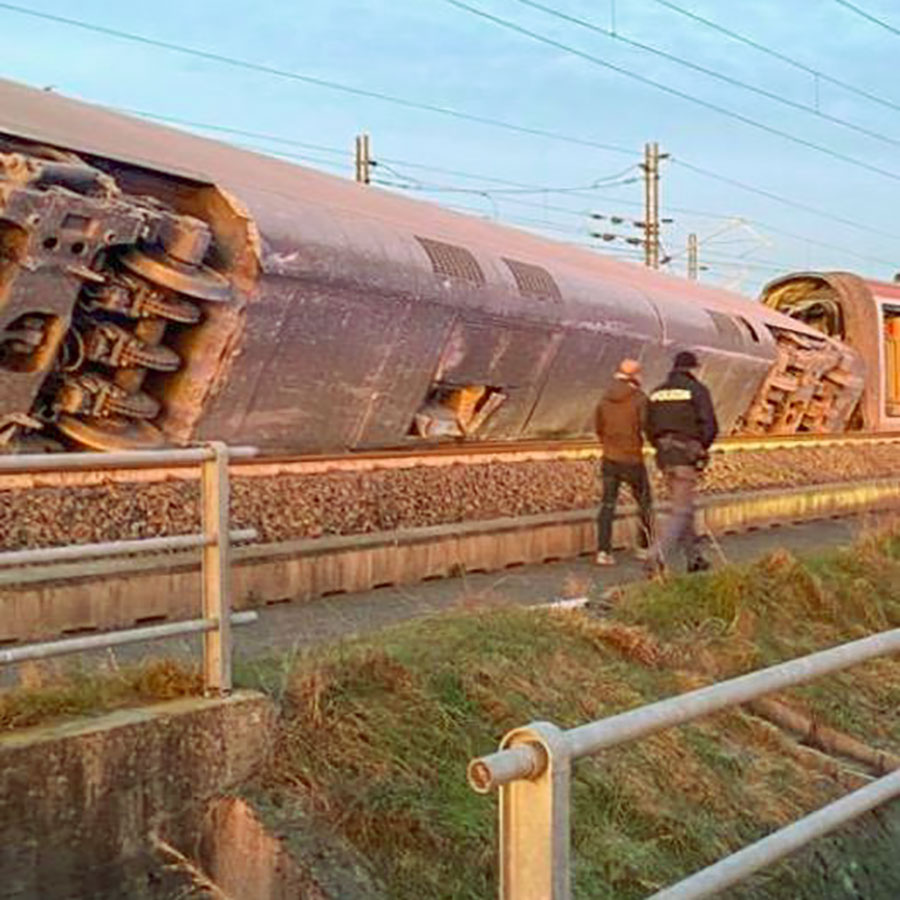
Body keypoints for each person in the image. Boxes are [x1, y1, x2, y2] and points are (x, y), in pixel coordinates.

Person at [645, 350, 719, 575]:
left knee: (684, 506)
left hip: (664, 456)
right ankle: (656, 557)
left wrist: (660, 446)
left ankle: (694, 558)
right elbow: (710, 426)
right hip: (685, 456)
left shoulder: (656, 393)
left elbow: (648, 427)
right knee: (681, 510)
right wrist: (699, 448)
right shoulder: (696, 390)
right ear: (693, 368)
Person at [594, 358, 654, 566]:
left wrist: (609, 444)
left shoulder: (605, 397)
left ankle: (603, 551)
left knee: (608, 504)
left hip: (609, 458)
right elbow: (647, 426)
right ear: (636, 376)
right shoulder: (639, 399)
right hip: (632, 459)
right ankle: (644, 547)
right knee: (645, 502)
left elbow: (599, 428)